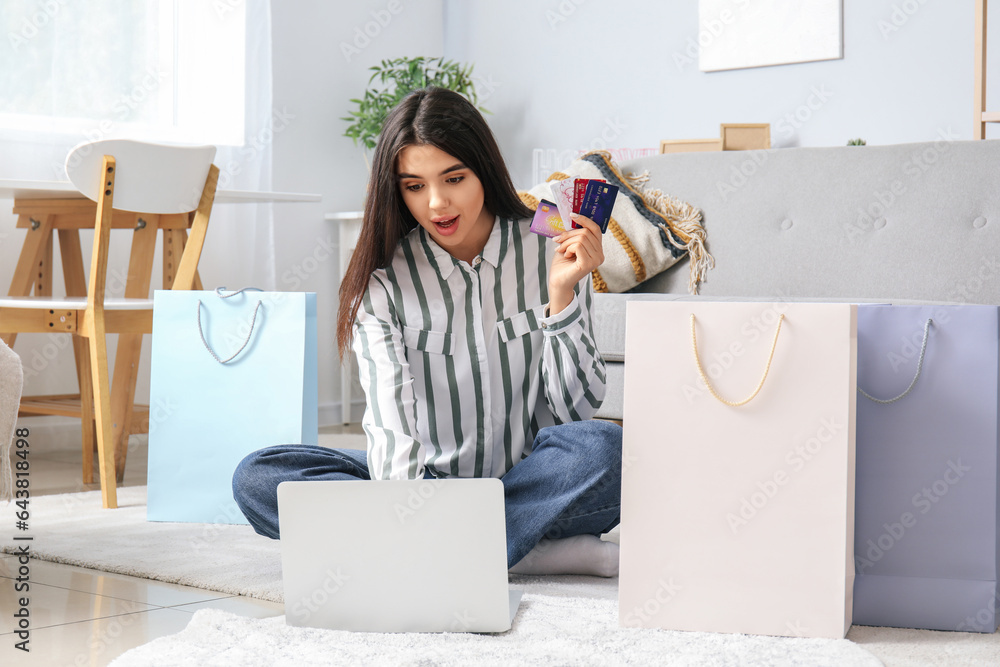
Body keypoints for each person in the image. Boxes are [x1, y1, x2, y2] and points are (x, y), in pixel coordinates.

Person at [232, 87, 622, 577]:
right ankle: (524, 548)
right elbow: (391, 424)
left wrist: (561, 297)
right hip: (422, 488)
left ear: (485, 168)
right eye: (414, 186)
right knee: (261, 478)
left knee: (603, 450)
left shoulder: (550, 240)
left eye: (453, 178)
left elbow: (576, 410)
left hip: (531, 480)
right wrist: (406, 509)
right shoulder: (382, 279)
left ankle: (432, 552)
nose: (437, 203)